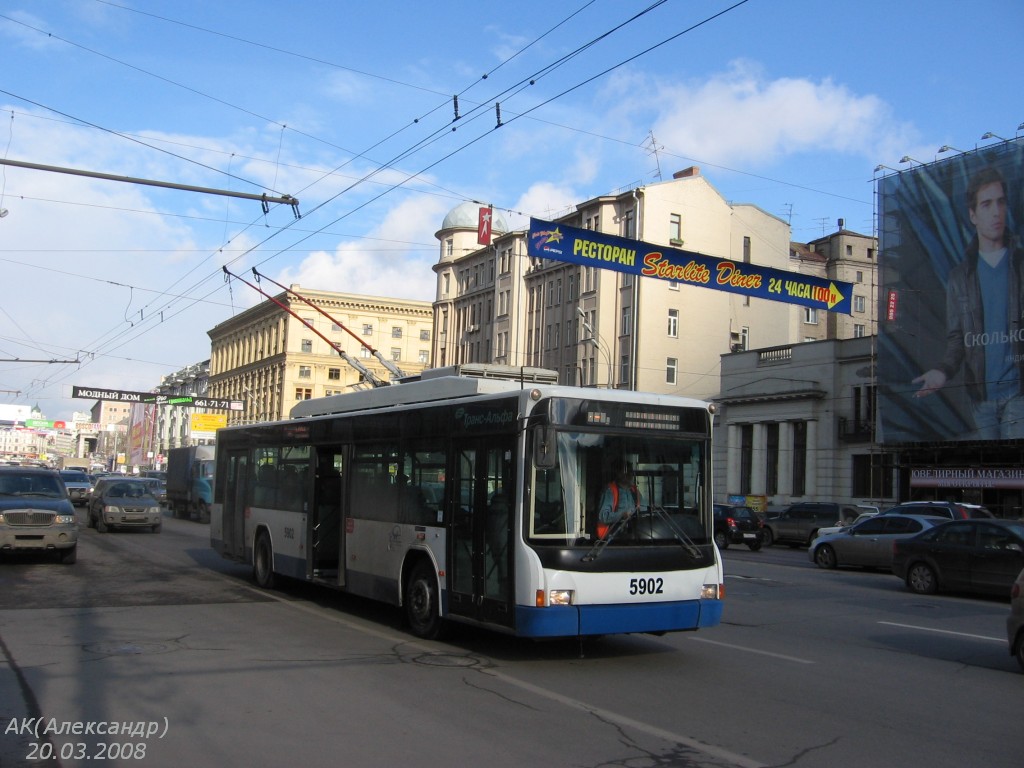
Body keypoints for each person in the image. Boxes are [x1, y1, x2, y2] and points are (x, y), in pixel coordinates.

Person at [913, 165, 1024, 439]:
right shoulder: (959, 277)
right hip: (980, 399)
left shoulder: (1021, 264)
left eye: (1000, 202)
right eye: (987, 204)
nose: (996, 212)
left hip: (1019, 393)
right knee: (990, 461)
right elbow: (957, 338)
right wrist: (943, 372)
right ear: (973, 215)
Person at [597, 466, 641, 535]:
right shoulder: (610, 490)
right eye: (626, 472)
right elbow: (602, 516)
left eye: (631, 472)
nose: (630, 475)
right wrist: (621, 515)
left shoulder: (634, 491)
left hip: (635, 534)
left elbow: (644, 512)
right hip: (615, 536)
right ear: (619, 474)